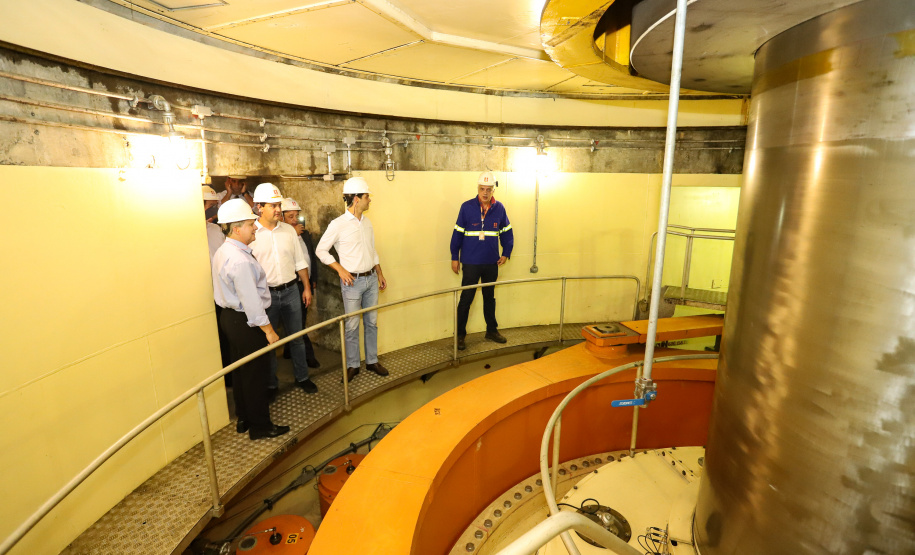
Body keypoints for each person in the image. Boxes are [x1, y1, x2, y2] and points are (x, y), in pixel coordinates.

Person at [212, 199, 290, 440]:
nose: (255, 227)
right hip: (246, 322)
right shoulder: (240, 260)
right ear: (236, 229)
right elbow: (252, 304)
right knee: (256, 374)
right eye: (249, 224)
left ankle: (244, 417)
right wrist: (269, 330)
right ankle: (260, 426)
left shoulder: (225, 250)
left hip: (230, 319)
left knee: (241, 371)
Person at [316, 177, 389, 381]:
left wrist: (380, 273)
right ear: (356, 199)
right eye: (367, 197)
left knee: (372, 323)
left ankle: (372, 361)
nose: (369, 200)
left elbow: (372, 250)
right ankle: (353, 365)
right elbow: (321, 250)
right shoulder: (338, 224)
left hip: (371, 280)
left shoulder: (367, 223)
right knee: (352, 326)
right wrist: (339, 269)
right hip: (352, 283)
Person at [249, 183, 317, 395]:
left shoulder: (288, 231)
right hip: (266, 296)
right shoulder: (251, 234)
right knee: (269, 343)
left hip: (291, 292)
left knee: (296, 337)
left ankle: (302, 377)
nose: (278, 209)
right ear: (259, 207)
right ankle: (271, 385)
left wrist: (306, 288)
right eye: (273, 205)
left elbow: (300, 262)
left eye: (279, 204)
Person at [450, 171, 514, 350]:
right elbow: (457, 234)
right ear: (477, 189)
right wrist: (455, 257)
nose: (485, 193)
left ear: (493, 190)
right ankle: (460, 335)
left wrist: (506, 252)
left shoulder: (499, 208)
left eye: (488, 189)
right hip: (470, 263)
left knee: (489, 298)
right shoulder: (467, 207)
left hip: (491, 263)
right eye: (481, 189)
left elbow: (507, 233)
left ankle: (491, 330)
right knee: (466, 299)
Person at [281, 197, 321, 368]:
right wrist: (291, 235)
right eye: (290, 217)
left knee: (298, 321)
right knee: (298, 323)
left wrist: (312, 280)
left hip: (303, 284)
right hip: (291, 285)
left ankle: (289, 350)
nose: (295, 220)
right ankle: (308, 355)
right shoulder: (281, 237)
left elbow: (310, 256)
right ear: (281, 217)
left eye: (296, 216)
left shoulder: (303, 234)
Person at [203, 185, 231, 369]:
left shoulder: (215, 230)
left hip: (221, 289)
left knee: (224, 334)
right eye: (210, 206)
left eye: (215, 206)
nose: (213, 210)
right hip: (201, 292)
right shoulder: (186, 233)